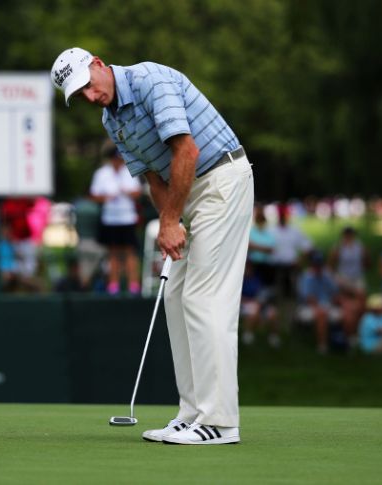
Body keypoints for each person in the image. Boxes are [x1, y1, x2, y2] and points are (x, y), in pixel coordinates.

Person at [52, 47, 254, 444]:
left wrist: (170, 220)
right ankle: (193, 412)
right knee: (176, 297)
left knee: (203, 297)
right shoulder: (113, 120)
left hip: (221, 181)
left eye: (89, 87)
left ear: (98, 65)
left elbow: (187, 150)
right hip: (186, 194)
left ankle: (220, 422)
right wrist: (169, 224)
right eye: (81, 97)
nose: (91, 98)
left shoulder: (150, 81)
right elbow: (153, 179)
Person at [89, 141, 143, 296]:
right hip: (110, 219)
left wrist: (126, 192)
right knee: (113, 252)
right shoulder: (102, 173)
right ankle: (113, 285)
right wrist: (108, 197)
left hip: (127, 218)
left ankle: (134, 285)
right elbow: (94, 195)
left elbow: (138, 193)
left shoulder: (130, 171)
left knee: (130, 252)